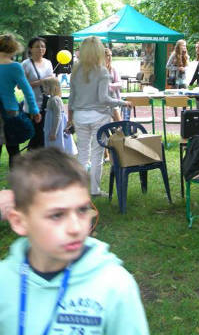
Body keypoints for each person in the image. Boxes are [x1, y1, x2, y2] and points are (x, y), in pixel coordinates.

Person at [0, 148, 150, 334]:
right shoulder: (4, 281)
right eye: (57, 215)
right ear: (19, 222)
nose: (76, 228)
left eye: (82, 210)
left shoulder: (114, 285)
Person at [68, 36, 131, 197]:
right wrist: (123, 102)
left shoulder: (76, 71)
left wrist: (70, 119)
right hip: (99, 117)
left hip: (80, 116)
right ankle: (94, 190)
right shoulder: (102, 71)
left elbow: (71, 99)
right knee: (97, 155)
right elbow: (104, 99)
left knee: (83, 154)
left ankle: (81, 190)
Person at [0, 34, 41, 168]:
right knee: (13, 150)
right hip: (10, 111)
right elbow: (28, 91)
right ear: (13, 49)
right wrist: (34, 111)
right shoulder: (15, 67)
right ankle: (16, 179)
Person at [22, 36, 55, 150]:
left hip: (46, 103)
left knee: (42, 133)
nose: (40, 49)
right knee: (36, 133)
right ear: (30, 49)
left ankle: (35, 155)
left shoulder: (48, 63)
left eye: (43, 46)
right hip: (32, 104)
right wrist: (41, 81)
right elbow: (21, 86)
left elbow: (51, 80)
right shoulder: (26, 64)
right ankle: (31, 154)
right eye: (37, 46)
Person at [42, 78, 77, 155]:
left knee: (56, 146)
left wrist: (54, 132)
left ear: (53, 87)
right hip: (51, 127)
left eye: (46, 87)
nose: (43, 89)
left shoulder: (55, 100)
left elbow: (57, 117)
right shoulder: (51, 99)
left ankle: (57, 158)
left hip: (56, 129)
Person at [105, 48, 122, 122]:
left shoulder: (113, 69)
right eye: (107, 55)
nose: (109, 57)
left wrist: (110, 85)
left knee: (119, 124)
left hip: (113, 100)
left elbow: (120, 83)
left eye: (111, 55)